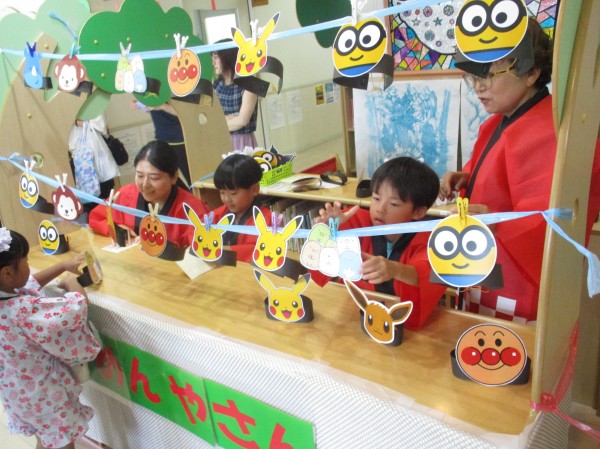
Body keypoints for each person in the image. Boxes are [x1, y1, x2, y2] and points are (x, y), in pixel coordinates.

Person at [439, 18, 600, 323]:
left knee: (504, 342)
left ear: (532, 73)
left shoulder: (550, 131)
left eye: (490, 74)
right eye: (474, 76)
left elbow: (547, 218)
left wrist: (495, 220)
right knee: (479, 333)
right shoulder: (499, 122)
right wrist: (467, 177)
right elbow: (497, 170)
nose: (479, 86)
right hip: (486, 263)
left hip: (517, 280)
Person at [312, 157, 447, 331]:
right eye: (376, 198)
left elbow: (426, 274)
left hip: (400, 325)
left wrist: (395, 269)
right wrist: (326, 232)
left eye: (393, 204)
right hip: (354, 315)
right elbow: (321, 265)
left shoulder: (430, 239)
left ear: (418, 212)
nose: (380, 209)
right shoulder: (355, 221)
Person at [0, 228, 101, 449]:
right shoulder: (22, 311)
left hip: (17, 395)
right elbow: (75, 309)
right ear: (7, 273)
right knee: (62, 443)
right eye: (25, 260)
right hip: (45, 398)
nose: (28, 264)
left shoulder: (6, 295)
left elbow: (26, 284)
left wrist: (62, 266)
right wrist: (72, 284)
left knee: (46, 440)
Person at [88, 140, 209, 252]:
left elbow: (203, 249)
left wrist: (158, 244)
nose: (145, 184)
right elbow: (96, 217)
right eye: (140, 176)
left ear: (174, 177)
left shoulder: (192, 210)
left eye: (154, 178)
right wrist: (117, 229)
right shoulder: (125, 194)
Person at [212, 153, 271, 262]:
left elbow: (257, 249)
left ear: (254, 189)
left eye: (233, 193)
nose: (227, 199)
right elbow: (199, 229)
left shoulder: (265, 218)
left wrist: (220, 251)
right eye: (222, 192)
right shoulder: (220, 213)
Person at [212, 40, 259, 151]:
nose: (213, 62)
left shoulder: (249, 83)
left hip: (242, 141)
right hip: (220, 140)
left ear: (228, 57)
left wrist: (218, 124)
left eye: (216, 57)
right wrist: (233, 118)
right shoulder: (216, 84)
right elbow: (211, 116)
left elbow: (242, 120)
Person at [133, 100, 192, 187]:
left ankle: (194, 194)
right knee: (165, 176)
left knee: (192, 179)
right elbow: (158, 111)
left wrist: (161, 106)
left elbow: (187, 112)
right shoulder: (152, 94)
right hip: (162, 139)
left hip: (180, 140)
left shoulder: (174, 93)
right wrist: (143, 105)